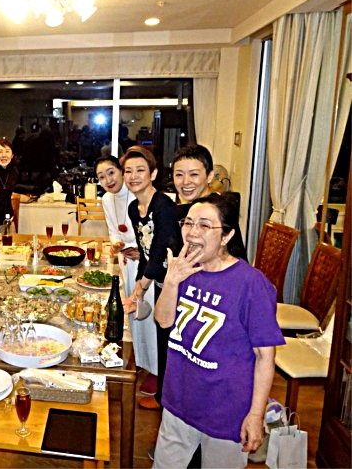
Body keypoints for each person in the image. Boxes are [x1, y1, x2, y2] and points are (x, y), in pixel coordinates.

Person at [153, 196, 284, 468]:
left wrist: (256, 415)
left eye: (204, 225)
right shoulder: (184, 269)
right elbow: (163, 321)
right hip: (178, 398)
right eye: (188, 223)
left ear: (226, 236)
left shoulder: (250, 284)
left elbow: (265, 357)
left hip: (226, 410)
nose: (192, 232)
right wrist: (171, 281)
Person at [121, 146, 181, 411]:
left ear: (153, 174)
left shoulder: (163, 206)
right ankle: (164, 397)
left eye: (140, 170)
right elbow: (144, 252)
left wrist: (138, 290)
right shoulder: (135, 208)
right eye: (128, 171)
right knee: (162, 338)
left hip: (178, 283)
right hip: (159, 281)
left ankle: (169, 400)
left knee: (171, 341)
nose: (133, 176)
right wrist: (140, 287)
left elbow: (159, 251)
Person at [95, 155, 158, 395]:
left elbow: (150, 234)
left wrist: (138, 250)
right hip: (126, 261)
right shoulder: (107, 199)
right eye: (101, 177)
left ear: (121, 172)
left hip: (145, 263)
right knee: (132, 314)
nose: (108, 180)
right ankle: (140, 360)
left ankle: (156, 370)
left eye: (111, 173)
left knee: (148, 313)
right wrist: (116, 244)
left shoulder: (137, 195)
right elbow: (114, 230)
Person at [172, 145, 247, 260]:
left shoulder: (218, 210)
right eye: (179, 175)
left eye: (194, 174)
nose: (185, 182)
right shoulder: (185, 209)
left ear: (210, 176)